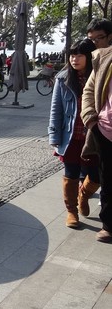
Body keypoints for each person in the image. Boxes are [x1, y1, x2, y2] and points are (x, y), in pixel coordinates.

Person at [49, 39, 99, 229]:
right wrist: (54, 136)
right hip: (70, 135)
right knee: (71, 174)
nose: (74, 59)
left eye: (79, 55)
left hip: (93, 136)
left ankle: (83, 195)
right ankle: (71, 211)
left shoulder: (99, 76)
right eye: (71, 55)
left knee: (96, 176)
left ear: (90, 56)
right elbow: (56, 109)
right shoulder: (62, 78)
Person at [81, 35, 112, 243]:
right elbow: (89, 90)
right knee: (107, 178)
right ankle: (108, 225)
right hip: (106, 129)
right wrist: (91, 120)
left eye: (98, 38)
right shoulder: (104, 58)